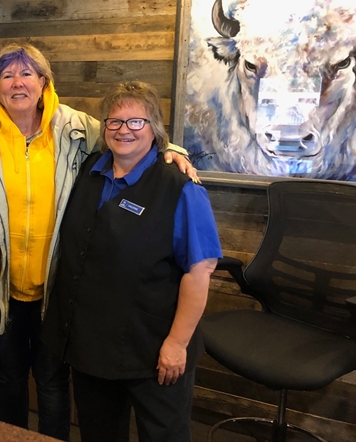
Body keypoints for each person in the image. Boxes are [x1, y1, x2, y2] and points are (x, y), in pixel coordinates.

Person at [0, 44, 197, 440]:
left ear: (44, 81)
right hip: (1, 289)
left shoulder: (77, 128)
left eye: (27, 73)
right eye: (7, 75)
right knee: (9, 378)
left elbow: (132, 134)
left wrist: (173, 152)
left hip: (58, 289)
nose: (18, 82)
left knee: (51, 381)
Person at [42, 81, 222, 442]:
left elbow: (200, 270)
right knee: (98, 433)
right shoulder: (89, 171)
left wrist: (176, 343)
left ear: (154, 128)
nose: (124, 130)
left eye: (136, 122)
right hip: (91, 347)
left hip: (152, 350)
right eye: (115, 121)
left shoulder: (180, 187)